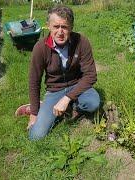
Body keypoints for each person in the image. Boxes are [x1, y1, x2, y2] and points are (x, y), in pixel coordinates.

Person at [15, 5, 100, 140]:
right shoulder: (40, 48)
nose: (60, 32)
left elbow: (91, 75)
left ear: (71, 27)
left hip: (77, 85)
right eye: (56, 26)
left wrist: (67, 98)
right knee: (35, 136)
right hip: (55, 90)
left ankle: (69, 106)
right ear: (48, 26)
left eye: (64, 27)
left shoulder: (82, 42)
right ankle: (39, 107)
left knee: (93, 103)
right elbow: (34, 82)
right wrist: (34, 114)